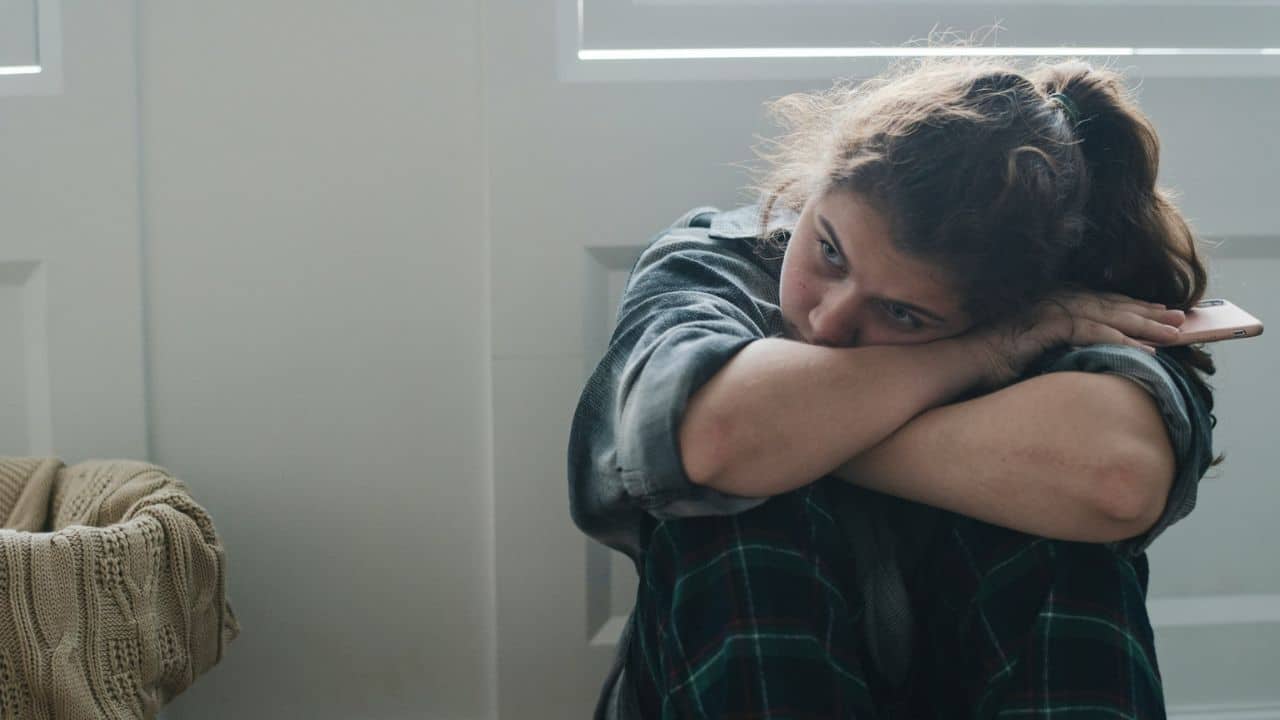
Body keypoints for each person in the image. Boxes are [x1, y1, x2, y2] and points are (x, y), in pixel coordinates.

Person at [567, 56, 1219, 719]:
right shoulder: (715, 259)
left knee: (1062, 535)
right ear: (813, 187)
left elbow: (1113, 481)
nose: (828, 321)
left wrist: (793, 434)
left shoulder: (1071, 312)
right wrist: (978, 354)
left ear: (1009, 305)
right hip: (740, 674)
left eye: (904, 314)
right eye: (829, 252)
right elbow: (716, 439)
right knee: (746, 507)